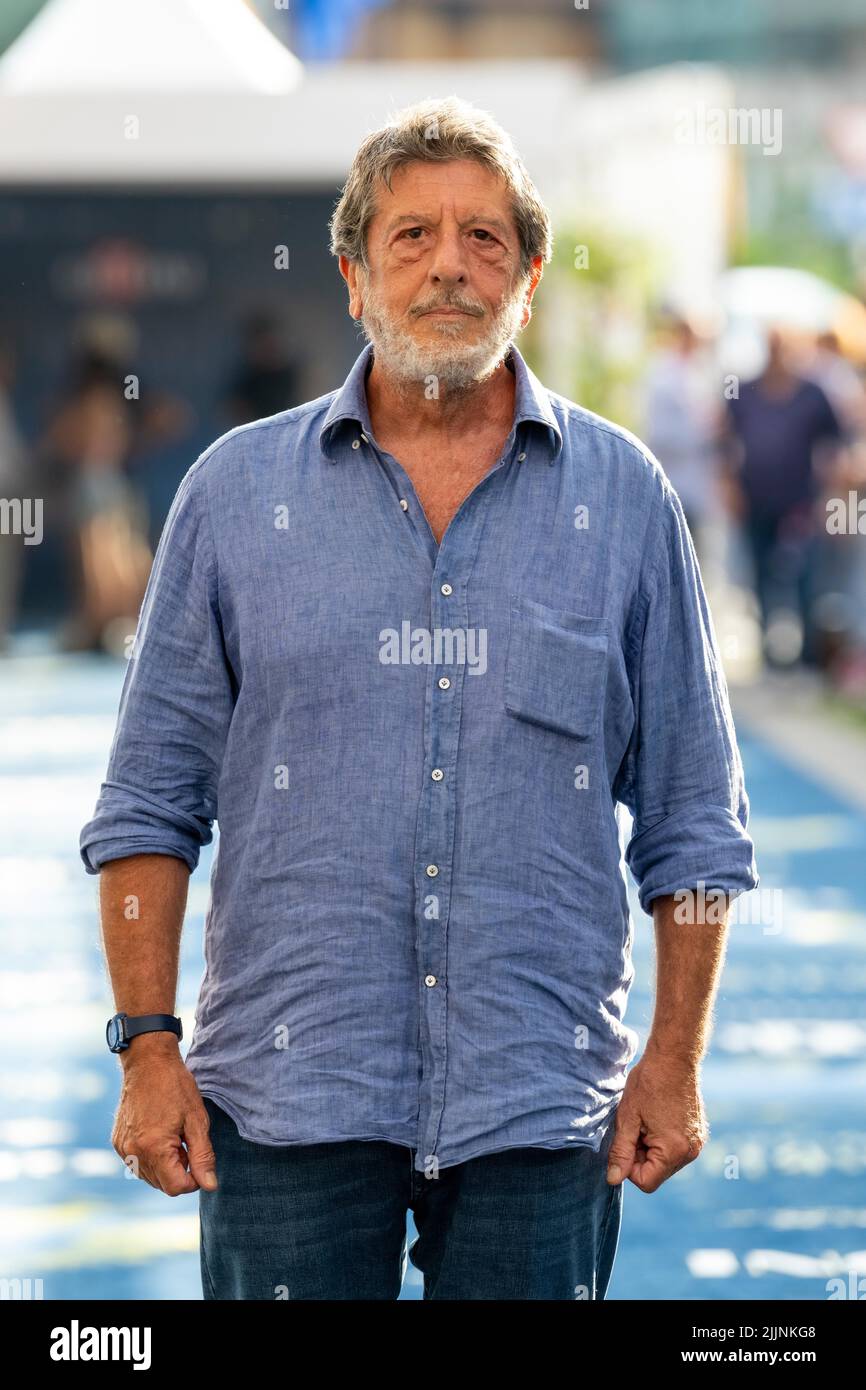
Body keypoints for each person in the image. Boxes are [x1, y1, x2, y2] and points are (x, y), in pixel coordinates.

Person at [80, 97, 758, 1302]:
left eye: (485, 238)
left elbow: (694, 816)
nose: (449, 263)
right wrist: (146, 1048)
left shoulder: (627, 501)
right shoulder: (233, 499)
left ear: (530, 275)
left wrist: (675, 1056)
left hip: (538, 1108)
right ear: (351, 276)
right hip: (287, 1103)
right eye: (411, 236)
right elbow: (146, 803)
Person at [724, 328, 843, 668]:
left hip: (800, 502)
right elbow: (725, 442)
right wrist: (729, 486)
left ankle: (805, 654)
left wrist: (831, 495)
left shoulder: (813, 394)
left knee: (803, 574)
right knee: (760, 573)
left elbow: (833, 443)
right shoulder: (743, 392)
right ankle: (769, 651)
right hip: (756, 499)